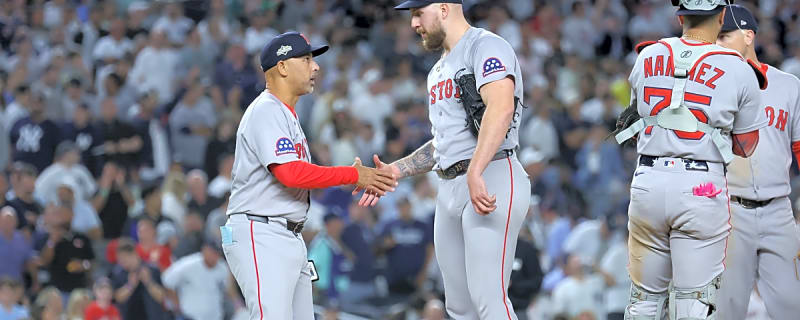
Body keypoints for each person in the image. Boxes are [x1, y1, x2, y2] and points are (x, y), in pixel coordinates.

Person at [362, 1, 531, 318]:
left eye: (417, 14)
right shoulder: (437, 70)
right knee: (458, 307)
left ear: (443, 8)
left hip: (492, 173)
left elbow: (501, 108)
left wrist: (476, 170)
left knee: (489, 300)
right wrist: (395, 170)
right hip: (451, 185)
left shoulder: (485, 45)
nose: (414, 24)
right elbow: (444, 145)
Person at [221, 31, 397, 320]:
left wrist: (351, 178)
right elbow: (290, 174)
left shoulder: (287, 114)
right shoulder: (267, 110)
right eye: (305, 59)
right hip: (260, 230)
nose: (315, 67)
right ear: (282, 67)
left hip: (286, 233)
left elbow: (304, 176)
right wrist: (352, 175)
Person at [612, 1, 767, 319]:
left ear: (680, 15)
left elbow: (633, 118)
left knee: (644, 300)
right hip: (701, 187)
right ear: (722, 16)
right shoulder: (738, 67)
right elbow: (747, 146)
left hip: (648, 183)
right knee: (693, 302)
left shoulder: (647, 55)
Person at [714, 5, 800, 320]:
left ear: (749, 35)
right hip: (730, 211)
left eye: (725, 36)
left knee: (793, 307)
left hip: (779, 209)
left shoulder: (788, 85)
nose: (717, 43)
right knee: (728, 309)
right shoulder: (708, 90)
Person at [162, 239, 239, 320]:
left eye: (217, 253)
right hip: (189, 316)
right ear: (204, 250)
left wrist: (237, 304)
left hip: (215, 316)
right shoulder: (188, 264)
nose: (214, 256)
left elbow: (229, 290)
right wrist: (177, 305)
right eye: (212, 252)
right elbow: (167, 280)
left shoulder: (222, 267)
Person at [110, 238, 167, 320]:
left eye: (124, 258)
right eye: (120, 259)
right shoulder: (118, 273)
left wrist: (148, 282)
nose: (121, 262)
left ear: (134, 254)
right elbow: (117, 298)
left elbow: (161, 297)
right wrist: (130, 285)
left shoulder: (152, 269)